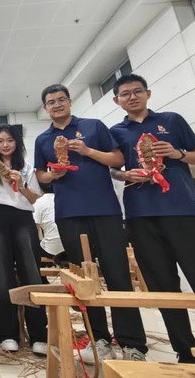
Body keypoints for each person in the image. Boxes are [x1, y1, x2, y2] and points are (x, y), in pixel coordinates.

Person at [110, 73, 195, 363]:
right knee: (163, 286)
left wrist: (178, 153)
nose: (132, 97)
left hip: (183, 211)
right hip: (140, 216)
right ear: (116, 100)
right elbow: (112, 167)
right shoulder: (116, 132)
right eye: (125, 94)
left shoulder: (172, 120)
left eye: (137, 91)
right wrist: (124, 174)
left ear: (148, 93)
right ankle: (185, 352)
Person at [34, 84, 148, 363]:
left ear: (69, 102)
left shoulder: (93, 126)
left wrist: (87, 151)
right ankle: (99, 339)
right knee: (83, 279)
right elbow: (40, 175)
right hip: (68, 214)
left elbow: (118, 159)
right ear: (46, 108)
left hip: (104, 210)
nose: (57, 105)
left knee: (117, 274)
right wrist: (53, 175)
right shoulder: (43, 139)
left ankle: (132, 344)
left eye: (61, 99)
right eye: (51, 102)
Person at [0, 123, 47, 356]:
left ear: (17, 142)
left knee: (31, 273)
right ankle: (8, 334)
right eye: (0, 141)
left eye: (9, 140)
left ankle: (39, 335)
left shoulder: (26, 167)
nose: (5, 145)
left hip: (23, 219)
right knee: (1, 276)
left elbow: (33, 199)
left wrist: (21, 183)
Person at [32, 182, 64, 262]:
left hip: (51, 250)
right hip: (69, 248)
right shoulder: (64, 199)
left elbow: (35, 230)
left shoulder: (38, 202)